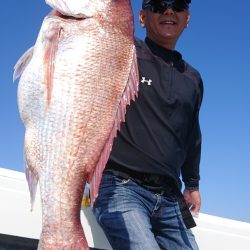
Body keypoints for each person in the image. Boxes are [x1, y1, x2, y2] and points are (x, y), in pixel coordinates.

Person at [93, 0, 203, 249]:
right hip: (120, 186)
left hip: (170, 197)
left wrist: (192, 184)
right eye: (158, 5)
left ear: (187, 19)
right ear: (142, 18)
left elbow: (191, 135)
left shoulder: (193, 79)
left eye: (177, 5)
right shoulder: (124, 52)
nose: (168, 10)